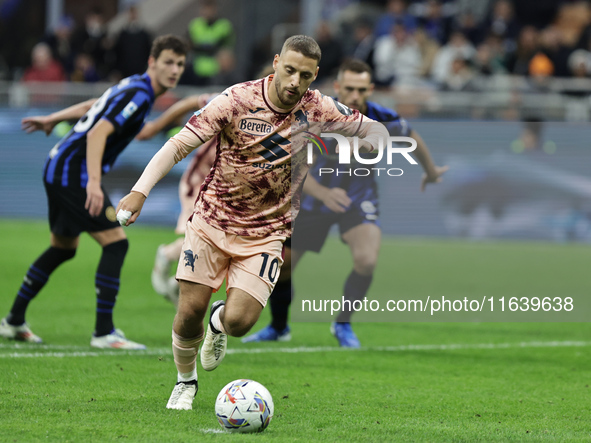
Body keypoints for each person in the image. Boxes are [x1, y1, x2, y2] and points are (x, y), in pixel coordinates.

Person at [116, 35, 390, 410]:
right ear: (276, 62)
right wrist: (139, 192)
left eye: (305, 75)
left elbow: (375, 130)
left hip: (267, 234)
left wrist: (371, 143)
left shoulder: (320, 109)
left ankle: (220, 323)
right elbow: (178, 144)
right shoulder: (236, 100)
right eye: (289, 70)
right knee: (187, 314)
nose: (295, 81)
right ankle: (185, 382)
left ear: (315, 76)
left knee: (241, 322)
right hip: (212, 222)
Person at [242, 59, 448, 347]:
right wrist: (324, 194)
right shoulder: (316, 116)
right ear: (337, 87)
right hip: (314, 199)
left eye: (361, 89)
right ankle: (278, 327)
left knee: (367, 260)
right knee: (283, 266)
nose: (355, 95)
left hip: (358, 198)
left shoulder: (382, 118)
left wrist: (431, 171)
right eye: (349, 88)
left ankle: (342, 324)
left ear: (371, 89)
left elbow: (411, 135)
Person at [0, 35, 188, 349]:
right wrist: (92, 182)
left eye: (180, 64)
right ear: (152, 63)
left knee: (62, 248)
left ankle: (13, 321)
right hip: (73, 173)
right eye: (168, 62)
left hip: (59, 167)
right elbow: (99, 130)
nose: (175, 69)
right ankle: (104, 332)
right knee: (116, 242)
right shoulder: (140, 94)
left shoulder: (133, 86)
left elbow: (95, 107)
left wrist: (53, 118)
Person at [142, 66, 276, 307]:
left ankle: (179, 282)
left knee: (228, 236)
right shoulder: (235, 100)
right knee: (205, 234)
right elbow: (191, 101)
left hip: (230, 190)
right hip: (200, 181)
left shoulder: (284, 115)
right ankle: (169, 257)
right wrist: (157, 125)